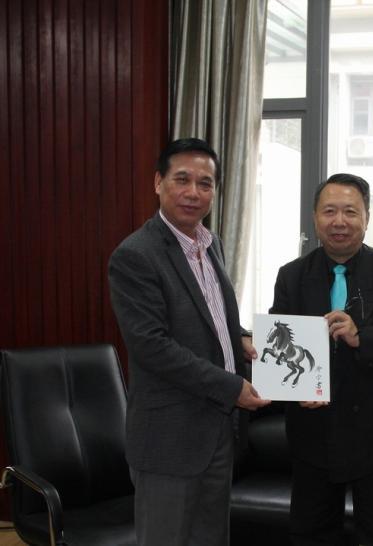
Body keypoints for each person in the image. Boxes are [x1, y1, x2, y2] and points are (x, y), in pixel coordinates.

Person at [108, 137, 270, 546]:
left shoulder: (211, 245)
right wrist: (232, 387)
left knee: (212, 538)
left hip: (217, 432)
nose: (193, 192)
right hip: (168, 438)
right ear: (158, 182)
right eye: (182, 179)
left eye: (205, 183)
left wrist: (240, 337)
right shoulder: (136, 255)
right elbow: (152, 346)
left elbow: (208, 317)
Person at [269, 173, 373, 546]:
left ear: (367, 218)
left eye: (350, 211)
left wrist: (363, 337)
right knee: (310, 534)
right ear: (315, 218)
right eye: (329, 211)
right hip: (313, 435)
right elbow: (280, 344)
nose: (339, 221)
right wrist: (293, 388)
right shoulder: (291, 277)